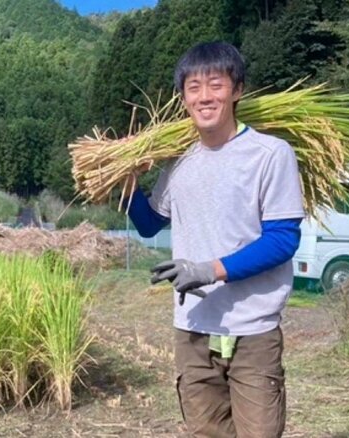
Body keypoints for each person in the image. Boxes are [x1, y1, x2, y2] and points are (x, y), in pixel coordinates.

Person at [126, 42, 305, 438]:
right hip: (193, 328)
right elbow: (150, 224)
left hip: (252, 329)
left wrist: (210, 270)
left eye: (215, 85)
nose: (204, 97)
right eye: (193, 87)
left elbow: (282, 239)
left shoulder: (270, 154)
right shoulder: (180, 161)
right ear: (183, 98)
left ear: (237, 90)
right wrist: (126, 182)